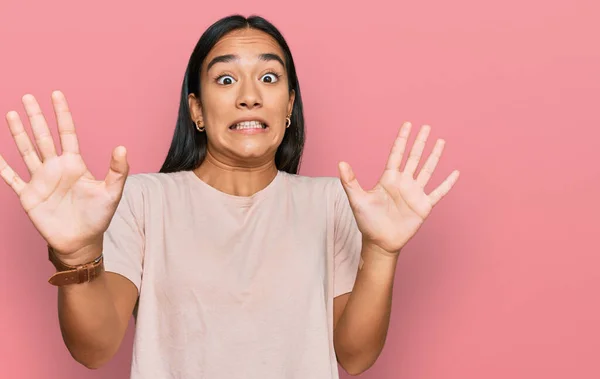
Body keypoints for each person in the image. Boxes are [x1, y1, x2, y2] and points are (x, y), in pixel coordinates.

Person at [0, 14, 459, 379]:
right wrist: (77, 252)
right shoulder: (140, 200)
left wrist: (381, 249)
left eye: (269, 78)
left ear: (290, 106)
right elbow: (94, 349)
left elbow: (355, 357)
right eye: (225, 80)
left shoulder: (335, 203)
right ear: (196, 109)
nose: (249, 97)